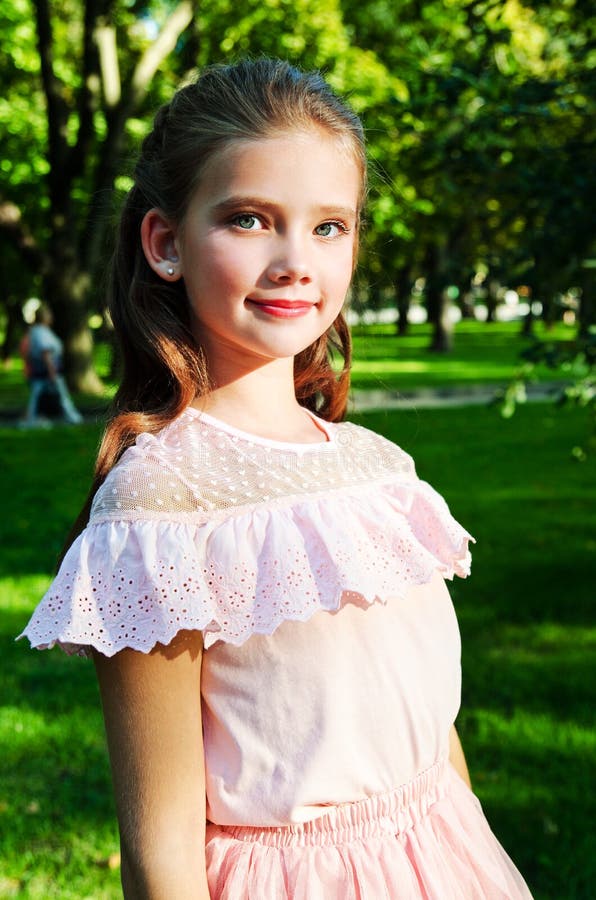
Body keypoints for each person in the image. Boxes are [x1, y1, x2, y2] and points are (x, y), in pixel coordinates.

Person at [19, 59, 532, 898]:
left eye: (329, 226)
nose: (297, 259)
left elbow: (433, 737)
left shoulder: (378, 469)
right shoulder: (164, 511)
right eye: (251, 219)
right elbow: (163, 853)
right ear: (167, 243)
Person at [22, 303, 83, 426]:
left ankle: (31, 419)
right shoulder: (40, 332)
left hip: (43, 371)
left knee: (37, 397)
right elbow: (46, 353)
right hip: (48, 370)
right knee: (60, 396)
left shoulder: (38, 331)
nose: (51, 317)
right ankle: (72, 417)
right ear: (43, 316)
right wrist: (52, 372)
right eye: (48, 314)